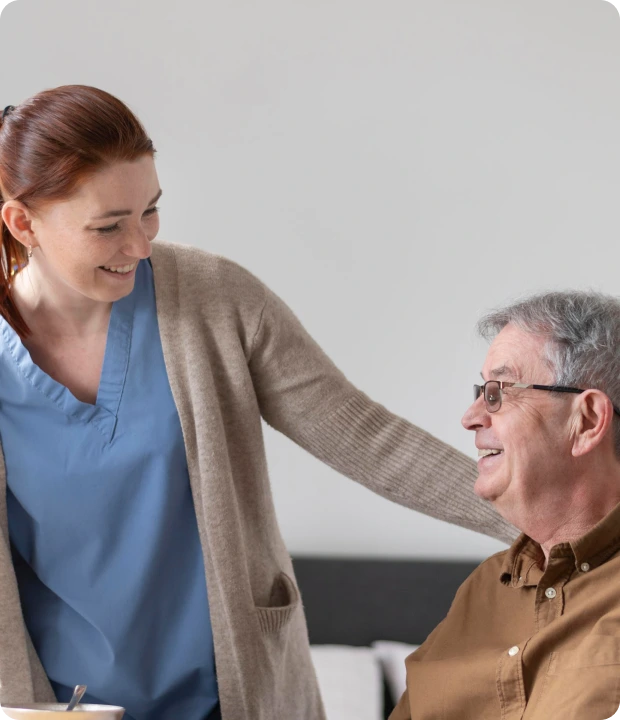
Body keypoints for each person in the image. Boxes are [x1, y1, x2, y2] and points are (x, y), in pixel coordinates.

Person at [0, 86, 514, 720]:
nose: (139, 246)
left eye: (150, 212)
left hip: (235, 698)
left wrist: (550, 516)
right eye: (108, 226)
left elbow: (367, 439)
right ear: (23, 223)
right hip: (59, 708)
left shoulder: (214, 299)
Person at [390, 290, 620, 720]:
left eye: (498, 392)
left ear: (586, 422)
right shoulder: (482, 590)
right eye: (481, 391)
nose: (471, 416)